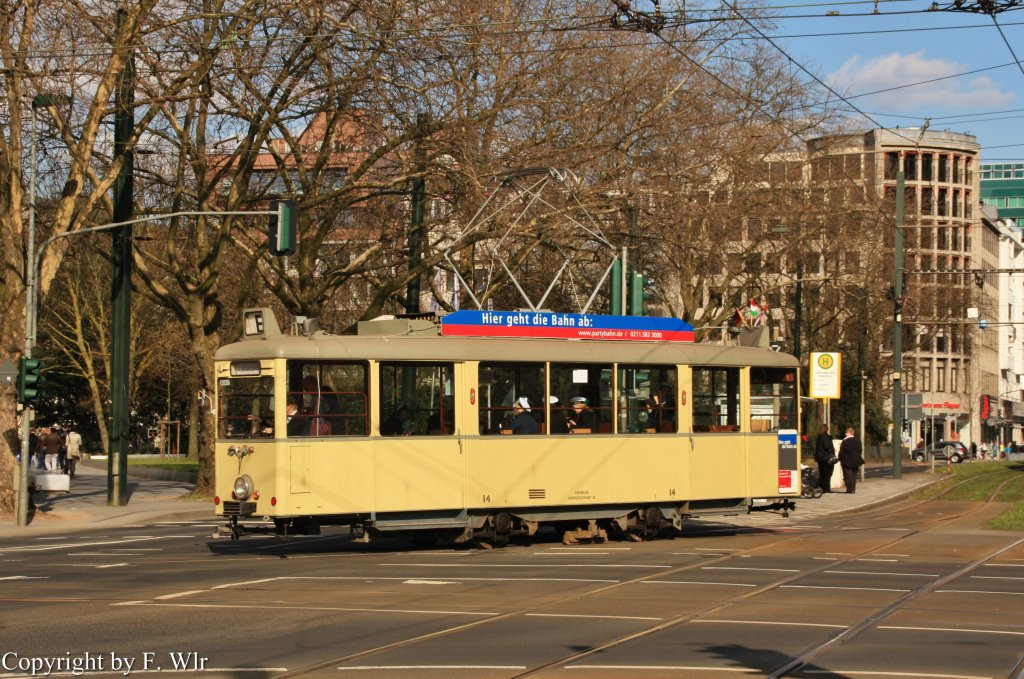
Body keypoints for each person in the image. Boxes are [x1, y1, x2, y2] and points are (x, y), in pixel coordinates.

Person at [838, 427, 864, 493]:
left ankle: (849, 489)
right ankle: (853, 488)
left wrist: (839, 458)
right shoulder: (858, 440)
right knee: (854, 475)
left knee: (847, 476)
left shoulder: (845, 441)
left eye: (846, 432)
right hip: (856, 461)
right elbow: (860, 450)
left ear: (849, 433)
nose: (845, 434)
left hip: (847, 461)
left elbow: (842, 451)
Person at [813, 424, 835, 494]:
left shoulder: (819, 437)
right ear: (826, 429)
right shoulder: (825, 437)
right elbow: (827, 446)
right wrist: (832, 449)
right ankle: (826, 489)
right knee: (827, 474)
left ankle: (820, 487)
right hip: (826, 458)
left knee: (822, 474)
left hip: (820, 458)